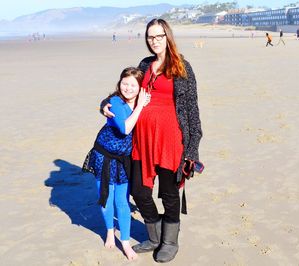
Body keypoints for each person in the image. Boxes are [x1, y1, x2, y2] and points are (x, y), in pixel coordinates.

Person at [101, 18, 202, 263]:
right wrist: (104, 104)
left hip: (171, 140)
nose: (154, 41)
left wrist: (192, 150)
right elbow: (127, 91)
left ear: (168, 37)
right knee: (139, 191)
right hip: (142, 140)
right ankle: (154, 236)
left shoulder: (182, 67)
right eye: (150, 37)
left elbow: (192, 111)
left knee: (168, 194)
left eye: (159, 36)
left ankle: (169, 241)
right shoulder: (145, 65)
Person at [83, 67, 150, 261]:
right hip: (104, 157)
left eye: (133, 85)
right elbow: (125, 129)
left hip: (124, 160)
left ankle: (126, 242)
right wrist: (139, 107)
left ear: (140, 88)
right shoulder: (115, 102)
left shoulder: (141, 100)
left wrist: (141, 104)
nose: (128, 88)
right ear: (119, 83)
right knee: (106, 199)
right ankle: (110, 231)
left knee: (122, 202)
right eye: (124, 83)